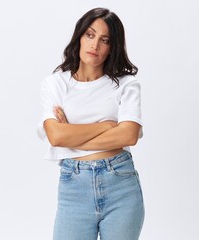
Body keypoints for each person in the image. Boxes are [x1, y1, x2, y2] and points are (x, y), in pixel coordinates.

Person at [37, 7, 144, 240]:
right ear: (79, 37)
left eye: (105, 40)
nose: (95, 45)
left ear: (112, 47)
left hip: (121, 185)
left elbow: (128, 136)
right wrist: (107, 126)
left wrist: (71, 138)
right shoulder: (55, 84)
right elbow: (56, 136)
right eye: (90, 35)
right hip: (74, 187)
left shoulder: (126, 84)